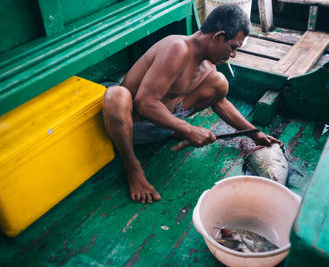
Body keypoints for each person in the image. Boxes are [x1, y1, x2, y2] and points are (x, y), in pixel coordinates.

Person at [102, 4, 283, 204]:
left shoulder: (209, 64)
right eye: (233, 47)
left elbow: (220, 103)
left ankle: (172, 130)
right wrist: (189, 130)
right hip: (131, 130)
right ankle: (132, 167)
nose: (233, 55)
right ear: (217, 37)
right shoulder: (177, 48)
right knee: (115, 96)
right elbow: (144, 103)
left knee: (219, 84)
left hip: (163, 128)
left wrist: (254, 133)